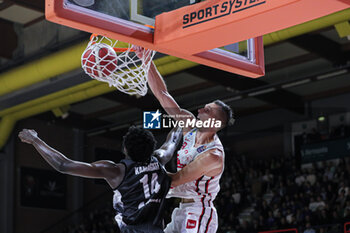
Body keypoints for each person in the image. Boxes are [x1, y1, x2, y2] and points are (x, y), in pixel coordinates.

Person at [134, 46, 234, 233]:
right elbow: (163, 95)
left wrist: (143, 176)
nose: (200, 110)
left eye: (207, 110)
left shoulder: (213, 155)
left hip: (200, 212)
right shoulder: (189, 124)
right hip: (181, 209)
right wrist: (145, 58)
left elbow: (177, 179)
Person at [18, 126, 182, 233]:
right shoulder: (160, 159)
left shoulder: (116, 171)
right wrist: (182, 121)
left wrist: (35, 140)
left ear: (125, 148)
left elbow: (63, 164)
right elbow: (172, 140)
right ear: (151, 147)